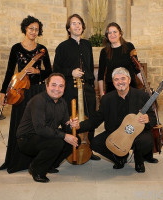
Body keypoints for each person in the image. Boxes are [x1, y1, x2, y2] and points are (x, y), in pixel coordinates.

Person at [0, 16, 52, 173]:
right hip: (20, 93)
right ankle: (18, 160)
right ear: (25, 29)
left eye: (36, 29)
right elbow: (9, 72)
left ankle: (40, 160)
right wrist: (3, 91)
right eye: (31, 29)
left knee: (39, 125)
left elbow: (49, 71)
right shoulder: (16, 48)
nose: (34, 32)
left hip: (37, 91)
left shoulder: (42, 49)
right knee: (21, 125)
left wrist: (37, 71)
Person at [79, 67, 158, 173]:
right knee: (95, 143)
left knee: (145, 141)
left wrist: (148, 119)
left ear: (129, 80)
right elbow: (96, 120)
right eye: (116, 79)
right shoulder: (107, 99)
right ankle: (119, 158)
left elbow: (153, 117)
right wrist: (77, 126)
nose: (120, 82)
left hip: (137, 134)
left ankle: (139, 161)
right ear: (113, 82)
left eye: (123, 78)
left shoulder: (141, 95)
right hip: (115, 132)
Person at [53, 14, 100, 161]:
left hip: (87, 89)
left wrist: (92, 86)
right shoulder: (62, 47)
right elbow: (55, 69)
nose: (77, 26)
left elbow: (90, 66)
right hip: (70, 89)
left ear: (82, 27)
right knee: (71, 119)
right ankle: (70, 149)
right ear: (68, 28)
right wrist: (70, 72)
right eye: (73, 23)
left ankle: (89, 149)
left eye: (79, 23)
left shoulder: (87, 45)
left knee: (90, 119)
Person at [16, 73, 80, 183]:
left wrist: (72, 124)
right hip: (27, 139)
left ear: (64, 88)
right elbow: (40, 128)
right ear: (47, 86)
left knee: (75, 139)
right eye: (54, 85)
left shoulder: (62, 102)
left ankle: (49, 165)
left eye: (61, 86)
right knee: (57, 142)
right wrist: (64, 136)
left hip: (45, 135)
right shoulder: (38, 101)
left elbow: (65, 125)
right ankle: (36, 169)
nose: (57, 89)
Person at [98, 22, 143, 98]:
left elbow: (137, 69)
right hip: (112, 88)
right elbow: (100, 75)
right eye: (109, 33)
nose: (112, 35)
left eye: (115, 32)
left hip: (130, 86)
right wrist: (102, 93)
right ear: (107, 36)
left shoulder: (129, 46)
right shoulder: (104, 52)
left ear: (120, 34)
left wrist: (146, 86)